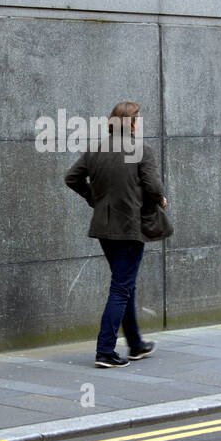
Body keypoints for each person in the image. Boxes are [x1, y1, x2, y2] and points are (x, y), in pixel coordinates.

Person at [64, 101, 167, 367]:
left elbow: (72, 178)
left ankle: (135, 344)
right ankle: (105, 351)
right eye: (137, 119)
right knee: (121, 288)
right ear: (132, 123)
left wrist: (94, 199)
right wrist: (160, 199)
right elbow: (153, 186)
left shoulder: (97, 148)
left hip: (103, 228)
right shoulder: (140, 149)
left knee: (125, 284)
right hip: (129, 228)